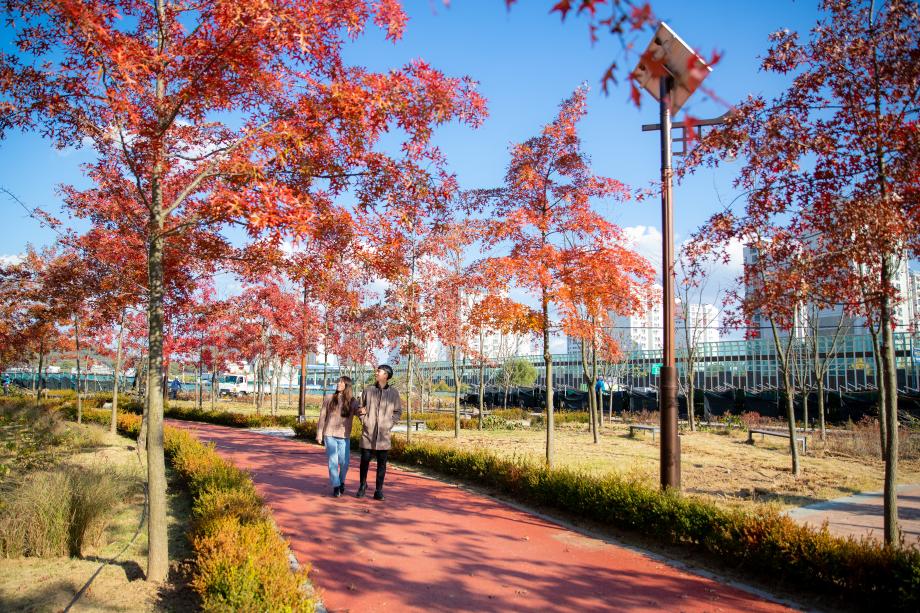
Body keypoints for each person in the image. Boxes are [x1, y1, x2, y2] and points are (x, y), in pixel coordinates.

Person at [355, 364, 402, 501]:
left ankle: (378, 490)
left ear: (386, 375)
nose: (376, 372)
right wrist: (364, 419)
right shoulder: (368, 390)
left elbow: (398, 411)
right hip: (368, 433)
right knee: (364, 461)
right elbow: (360, 407)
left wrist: (389, 424)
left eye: (379, 371)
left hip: (383, 435)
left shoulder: (393, 393)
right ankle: (362, 486)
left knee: (382, 463)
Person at [315, 376, 359, 497]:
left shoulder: (353, 401)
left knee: (344, 463)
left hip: (344, 436)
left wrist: (364, 412)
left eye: (341, 382)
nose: (338, 383)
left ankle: (341, 481)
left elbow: (359, 413)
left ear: (347, 386)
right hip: (329, 434)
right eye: (338, 382)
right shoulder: (329, 398)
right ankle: (336, 485)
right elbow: (322, 416)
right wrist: (319, 434)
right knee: (333, 462)